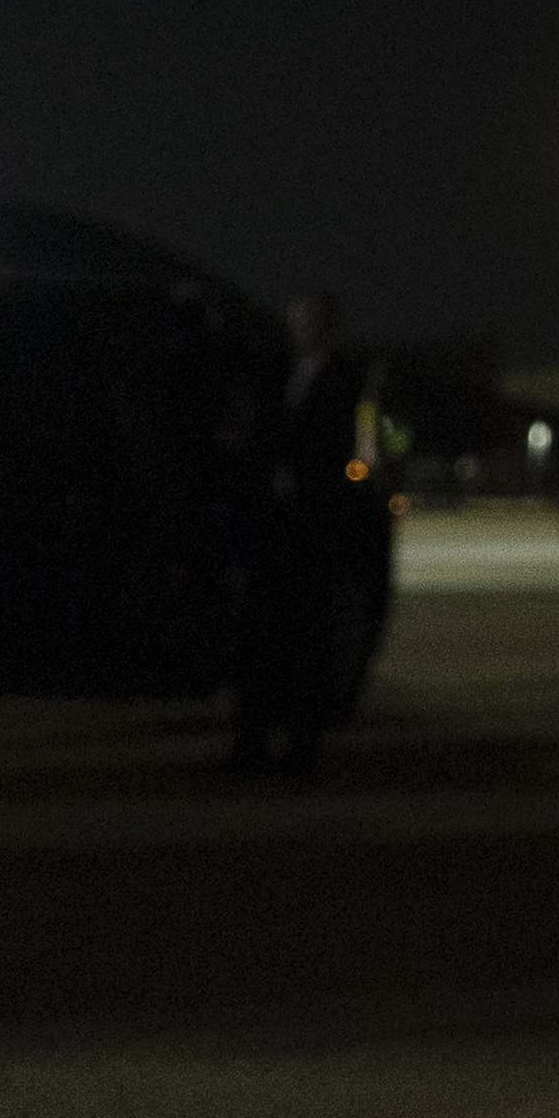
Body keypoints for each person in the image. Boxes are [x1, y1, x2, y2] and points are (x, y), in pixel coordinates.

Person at [227, 289, 377, 774]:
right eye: (294, 322)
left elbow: (354, 458)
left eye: (307, 322)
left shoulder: (346, 384)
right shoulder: (278, 376)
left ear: (324, 328)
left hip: (312, 533)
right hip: (273, 531)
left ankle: (299, 746)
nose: (299, 331)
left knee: (304, 644)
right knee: (262, 640)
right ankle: (252, 743)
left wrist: (306, 481)